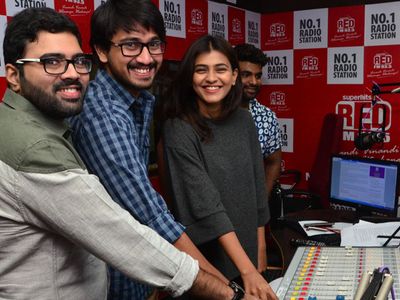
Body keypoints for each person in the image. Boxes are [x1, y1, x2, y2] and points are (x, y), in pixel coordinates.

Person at [0, 7, 254, 300]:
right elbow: (140, 223)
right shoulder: (57, 137)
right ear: (14, 76)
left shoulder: (130, 103)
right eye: (51, 62)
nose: (71, 74)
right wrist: (230, 292)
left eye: (77, 62)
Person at [69, 1, 229, 299]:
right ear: (102, 52)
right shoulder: (103, 112)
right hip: (109, 276)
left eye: (153, 44)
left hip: (137, 270)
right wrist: (226, 288)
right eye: (131, 45)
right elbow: (148, 212)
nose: (146, 57)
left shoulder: (139, 101)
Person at [159, 35, 278, 300]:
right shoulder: (179, 128)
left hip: (247, 256)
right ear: (190, 77)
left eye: (220, 69)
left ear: (234, 76)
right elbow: (206, 206)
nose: (211, 78)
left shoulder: (245, 120)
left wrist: (259, 246)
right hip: (210, 263)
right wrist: (246, 270)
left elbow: (257, 184)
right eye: (201, 70)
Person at [234, 44, 282, 198]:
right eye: (246, 74)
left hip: (249, 207)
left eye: (258, 76)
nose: (254, 82)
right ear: (232, 74)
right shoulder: (214, 112)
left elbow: (274, 162)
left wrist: (262, 200)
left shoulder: (267, 117)